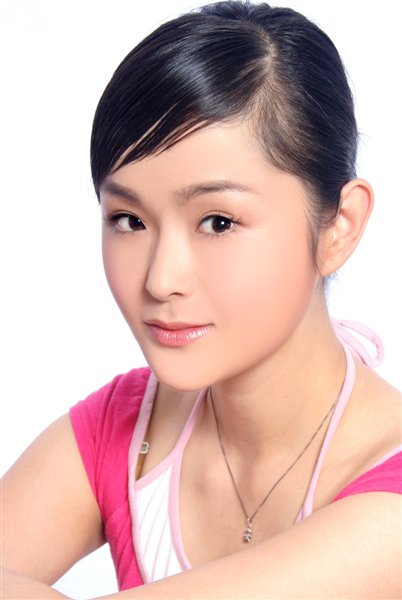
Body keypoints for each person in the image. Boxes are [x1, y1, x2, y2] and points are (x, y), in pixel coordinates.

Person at [2, 1, 401, 598]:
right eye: (130, 219)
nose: (161, 280)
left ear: (338, 226)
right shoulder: (124, 427)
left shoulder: (390, 509)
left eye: (218, 222)